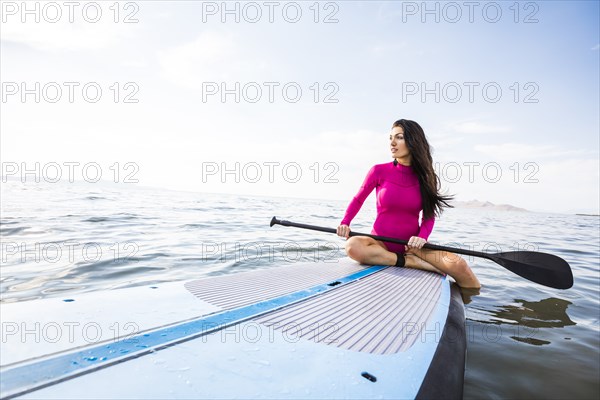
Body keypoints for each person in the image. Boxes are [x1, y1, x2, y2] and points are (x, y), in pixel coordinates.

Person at [336, 119, 481, 289]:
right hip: (380, 243)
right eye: (390, 138)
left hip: (412, 247)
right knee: (353, 246)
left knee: (459, 266)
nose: (392, 143)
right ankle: (410, 263)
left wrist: (422, 238)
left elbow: (429, 216)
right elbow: (358, 199)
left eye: (399, 137)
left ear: (413, 141)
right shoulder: (378, 171)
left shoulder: (426, 178)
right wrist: (345, 222)